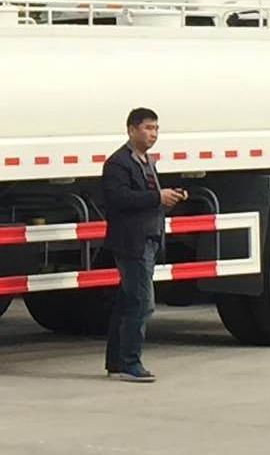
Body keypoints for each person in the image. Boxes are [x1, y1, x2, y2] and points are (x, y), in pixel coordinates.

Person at [101, 108, 186, 383]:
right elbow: (119, 199)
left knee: (127, 301)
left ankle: (117, 363)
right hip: (131, 243)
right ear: (131, 130)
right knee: (142, 303)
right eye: (148, 128)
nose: (153, 134)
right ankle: (130, 363)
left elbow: (147, 197)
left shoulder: (147, 161)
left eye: (156, 129)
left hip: (149, 239)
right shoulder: (118, 163)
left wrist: (169, 198)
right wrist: (156, 197)